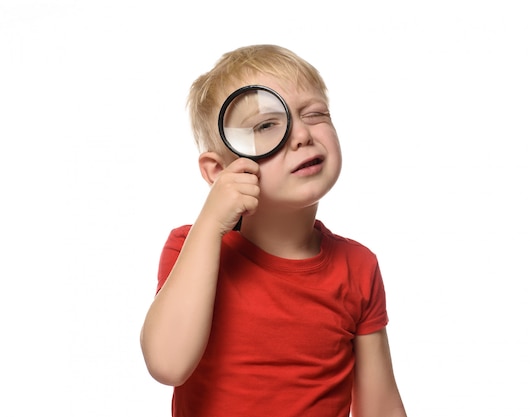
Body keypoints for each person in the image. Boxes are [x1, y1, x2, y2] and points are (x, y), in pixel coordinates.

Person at [140, 44, 407, 417]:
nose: (301, 135)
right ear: (219, 172)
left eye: (314, 114)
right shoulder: (192, 247)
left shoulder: (357, 266)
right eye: (266, 125)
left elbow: (380, 406)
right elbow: (167, 364)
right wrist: (210, 223)